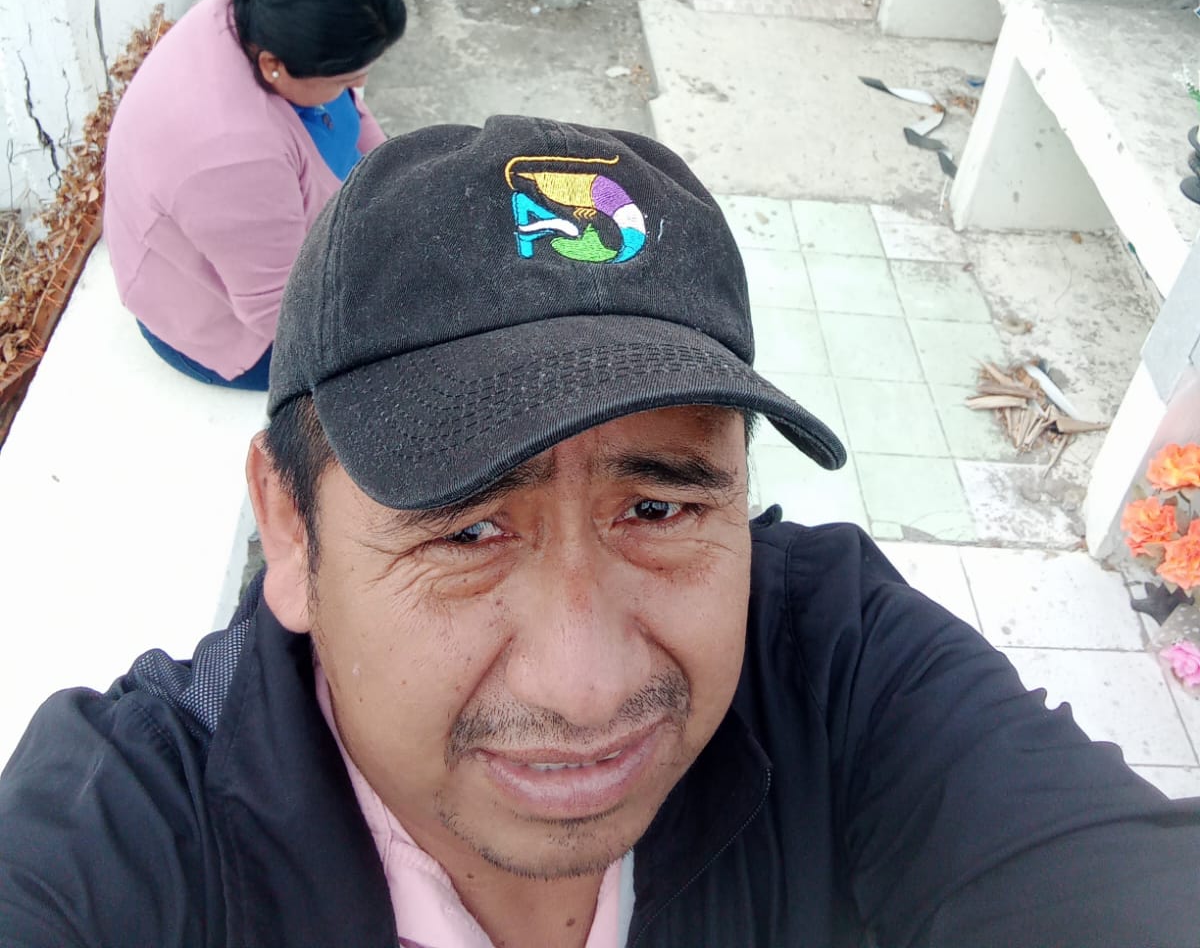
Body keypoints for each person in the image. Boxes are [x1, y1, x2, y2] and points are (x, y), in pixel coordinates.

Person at [3, 116, 1199, 948]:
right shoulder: (134, 828)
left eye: (659, 509)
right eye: (467, 530)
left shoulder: (832, 663)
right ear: (291, 530)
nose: (585, 687)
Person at [103, 0, 406, 391]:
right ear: (273, 66)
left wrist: (401, 181)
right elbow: (279, 314)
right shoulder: (232, 158)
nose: (359, 85)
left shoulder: (256, 12)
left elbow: (352, 119)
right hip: (231, 331)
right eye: (348, 77)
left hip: (255, 237)